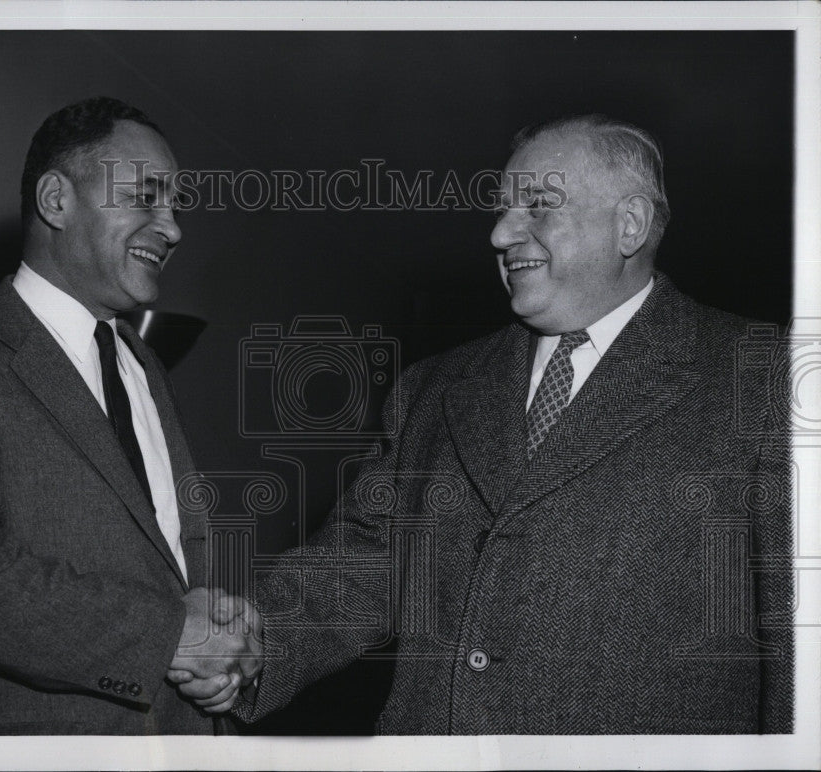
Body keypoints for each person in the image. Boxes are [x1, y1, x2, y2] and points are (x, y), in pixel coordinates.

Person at [169, 114, 794, 733]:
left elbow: (797, 641)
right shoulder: (432, 387)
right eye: (501, 210)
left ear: (627, 225)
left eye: (537, 205)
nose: (499, 234)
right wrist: (250, 639)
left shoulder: (763, 376)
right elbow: (364, 565)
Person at [0, 97, 260, 735]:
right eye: (147, 196)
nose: (174, 226)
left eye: (176, 205)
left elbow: (174, 561)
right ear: (56, 200)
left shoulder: (145, 368)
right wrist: (169, 637)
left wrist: (227, 639)